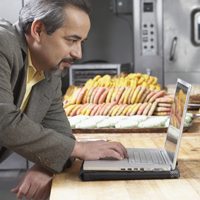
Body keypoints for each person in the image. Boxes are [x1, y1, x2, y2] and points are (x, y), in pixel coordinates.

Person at [0, 0, 127, 199]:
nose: (78, 54)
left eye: (81, 42)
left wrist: (45, 167)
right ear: (38, 30)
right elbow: (3, 120)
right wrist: (80, 149)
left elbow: (63, 136)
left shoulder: (49, 71)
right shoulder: (2, 44)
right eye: (71, 40)